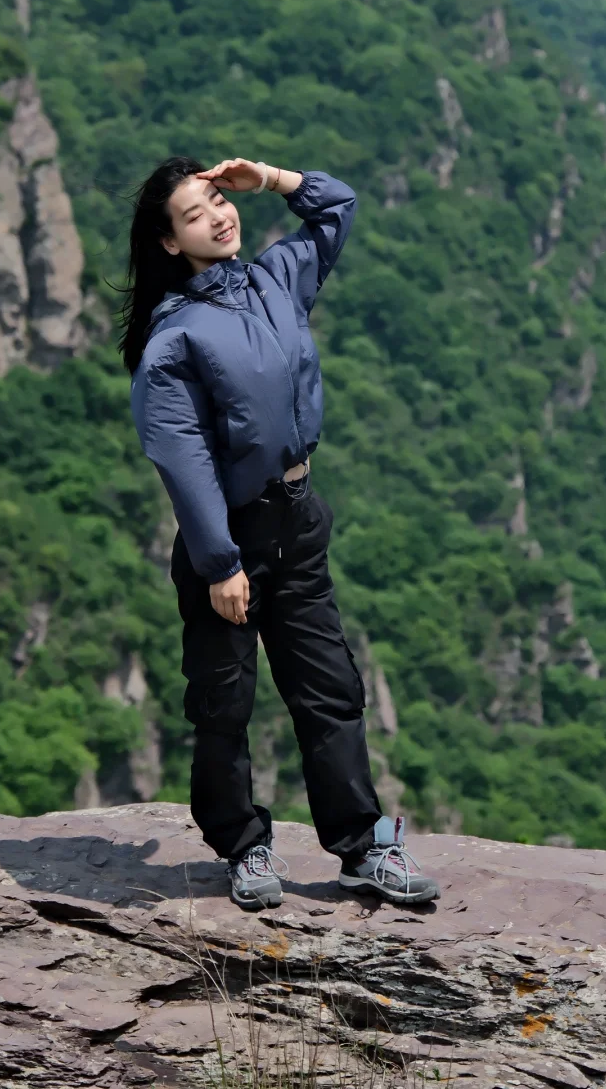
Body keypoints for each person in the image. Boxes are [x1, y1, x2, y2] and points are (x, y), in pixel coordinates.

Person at [122, 155, 440, 911]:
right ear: (169, 242)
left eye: (217, 200)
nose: (217, 217)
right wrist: (219, 563)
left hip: (297, 520)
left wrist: (269, 178)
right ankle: (242, 846)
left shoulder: (273, 279)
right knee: (224, 704)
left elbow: (337, 207)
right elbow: (182, 457)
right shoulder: (175, 338)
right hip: (230, 540)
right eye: (195, 214)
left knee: (330, 690)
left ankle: (362, 848)